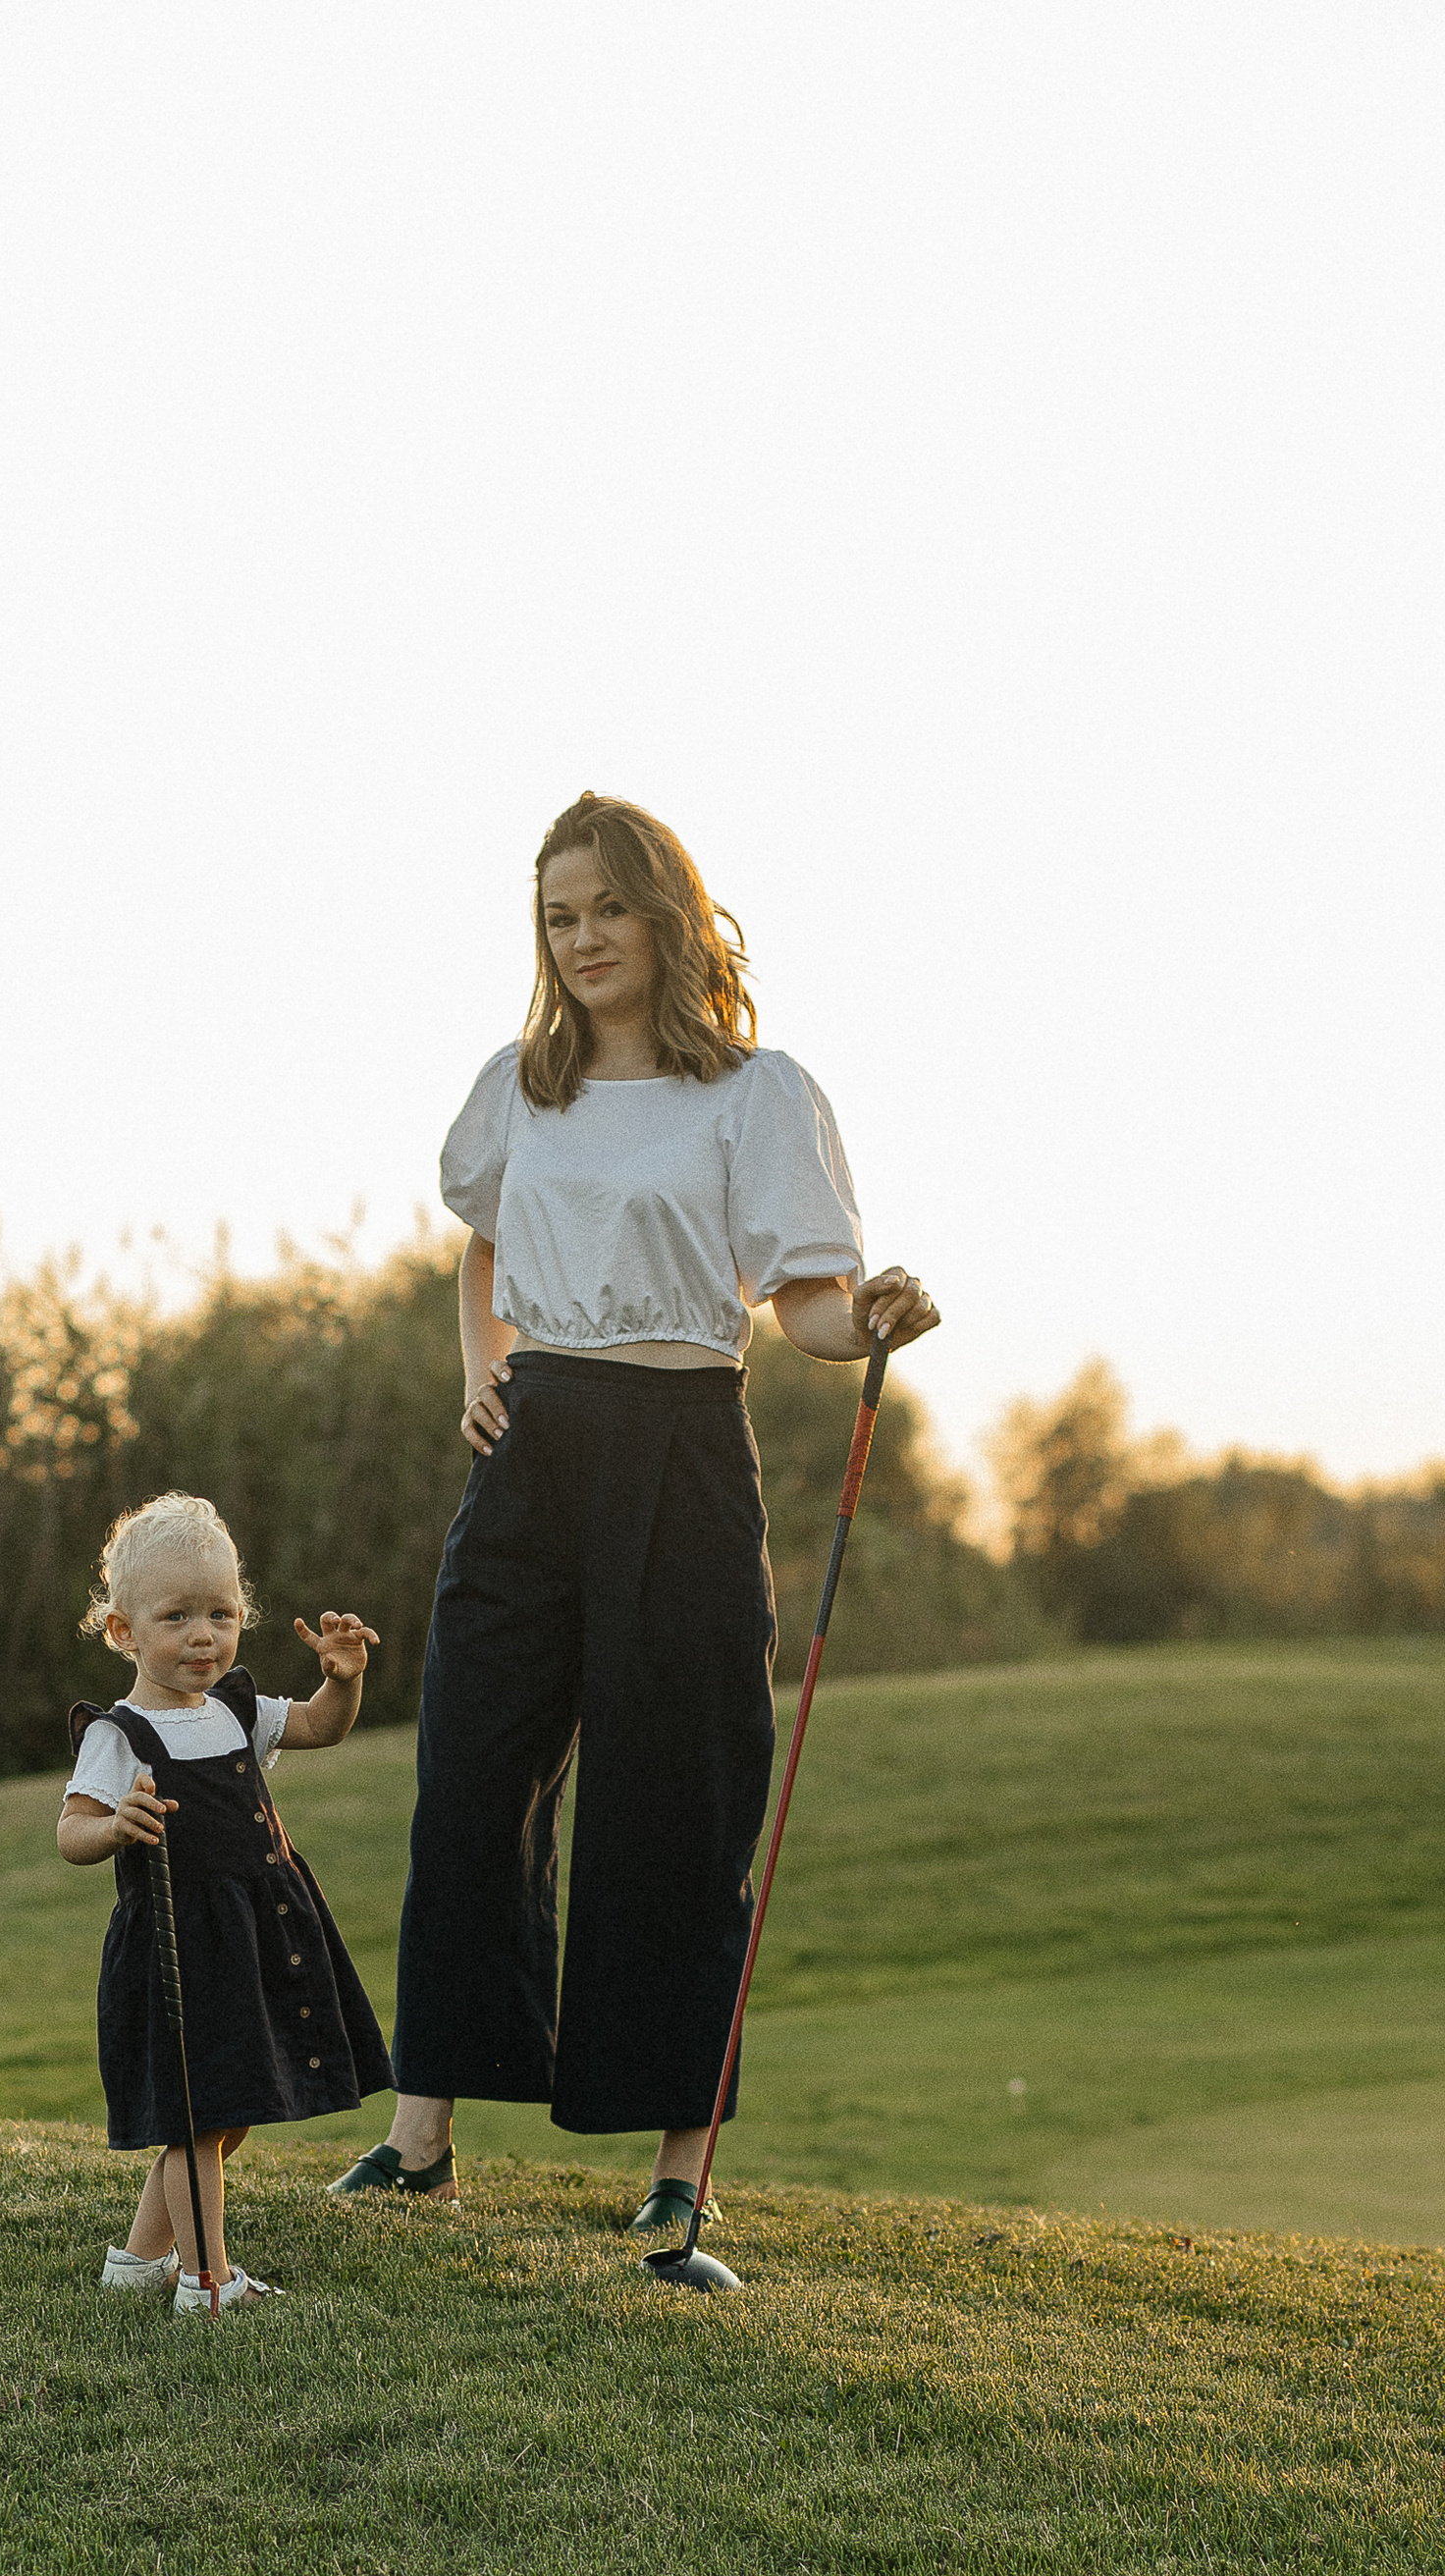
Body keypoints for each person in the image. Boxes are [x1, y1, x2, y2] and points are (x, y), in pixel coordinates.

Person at [331, 789, 940, 2226]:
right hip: (531, 1450)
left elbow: (803, 1306)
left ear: (668, 916)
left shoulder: (756, 1092)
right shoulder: (519, 1087)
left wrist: (874, 1321)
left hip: (679, 1446)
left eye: (608, 908)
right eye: (560, 915)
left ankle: (678, 2176)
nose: (584, 937)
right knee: (471, 1791)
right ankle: (421, 2140)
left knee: (675, 1806)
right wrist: (481, 1373)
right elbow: (480, 1248)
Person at [60, 1492, 391, 2308]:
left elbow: (320, 1726)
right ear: (124, 1633)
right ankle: (207, 2284)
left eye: (222, 1613)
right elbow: (72, 1830)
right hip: (177, 1949)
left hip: (256, 1940)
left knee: (225, 2114)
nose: (203, 1636)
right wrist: (115, 1828)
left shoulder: (237, 1710)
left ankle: (137, 2263)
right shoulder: (121, 1734)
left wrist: (342, 1682)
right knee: (198, 2118)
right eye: (176, 1617)